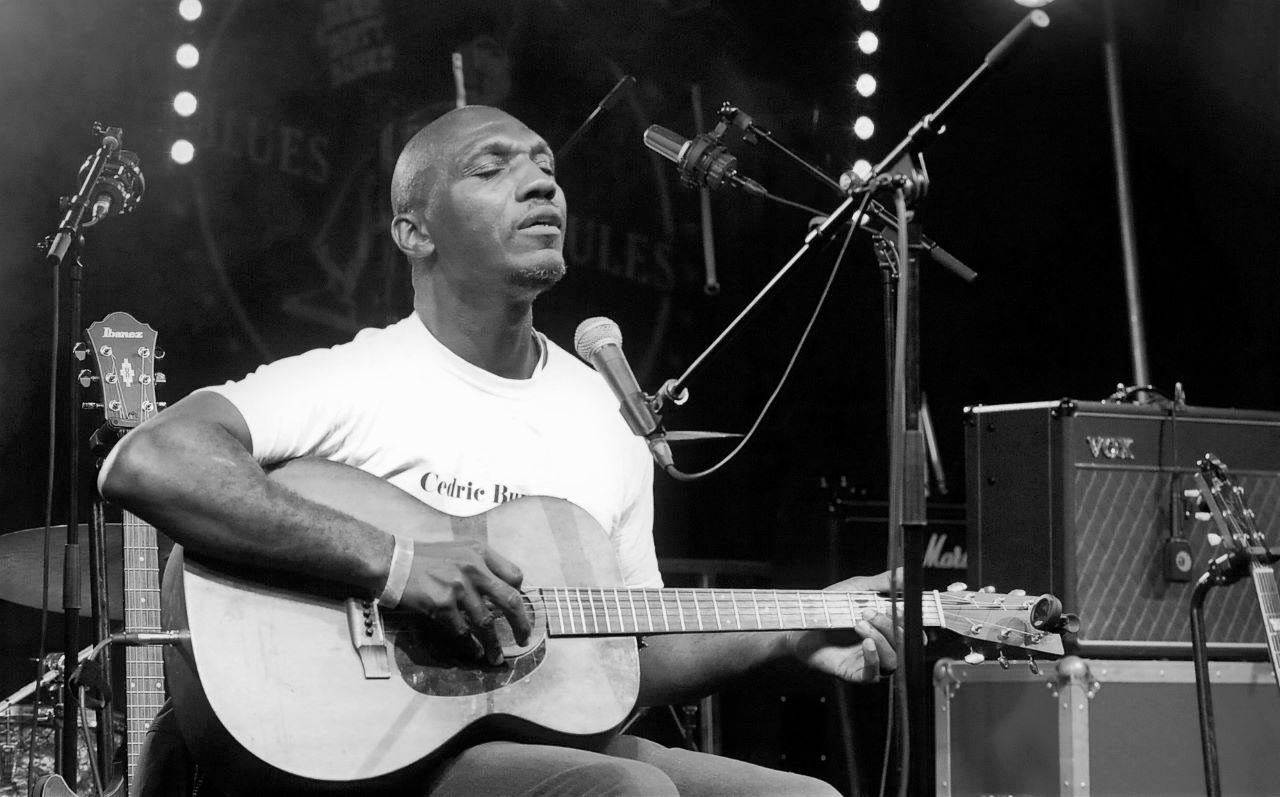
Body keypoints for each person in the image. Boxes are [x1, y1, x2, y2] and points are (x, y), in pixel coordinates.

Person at [99, 105, 899, 796]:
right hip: (368, 758)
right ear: (414, 231)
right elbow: (150, 461)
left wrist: (792, 630)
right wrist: (397, 562)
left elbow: (627, 659)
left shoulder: (602, 410)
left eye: (547, 168)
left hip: (533, 745)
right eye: (495, 167)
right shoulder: (355, 380)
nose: (543, 182)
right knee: (624, 787)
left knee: (804, 792)